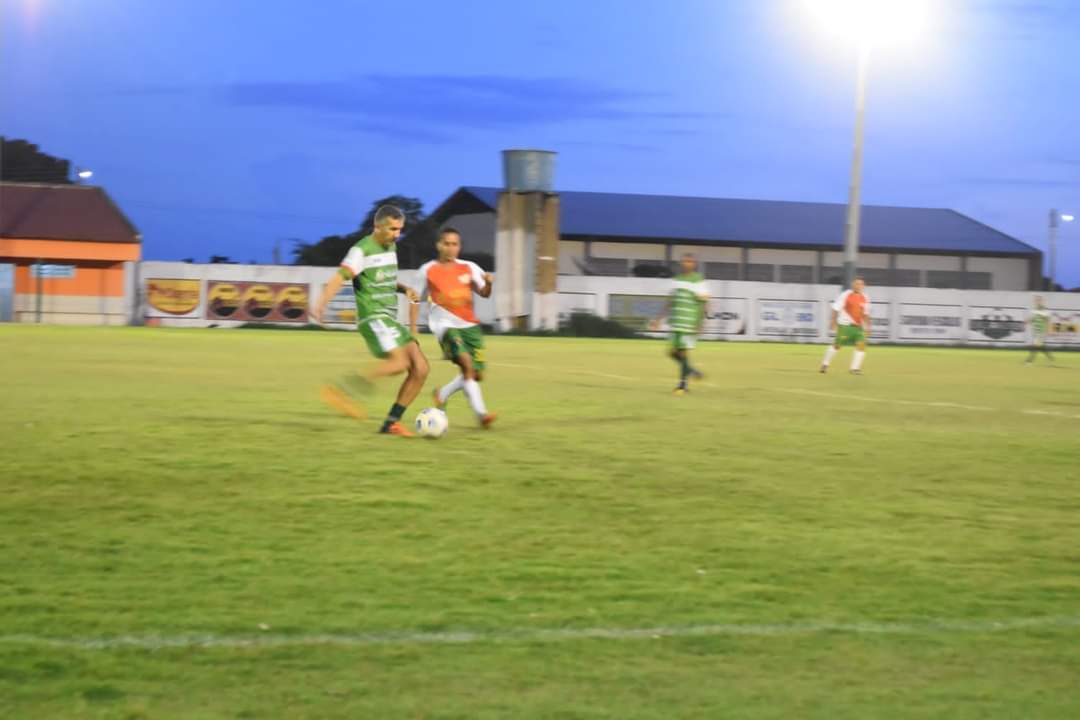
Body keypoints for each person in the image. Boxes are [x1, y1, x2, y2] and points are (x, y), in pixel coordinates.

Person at [312, 205, 428, 437]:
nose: (397, 234)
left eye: (400, 229)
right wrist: (321, 303)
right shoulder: (361, 250)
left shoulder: (391, 247)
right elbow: (339, 277)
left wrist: (404, 288)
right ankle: (341, 391)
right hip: (374, 317)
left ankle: (391, 423)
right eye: (392, 229)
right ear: (377, 226)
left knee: (421, 368)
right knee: (399, 363)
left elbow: (383, 280)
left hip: (389, 319)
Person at [415, 227, 497, 427]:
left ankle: (442, 394)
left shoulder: (469, 267)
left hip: (470, 326)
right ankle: (481, 415)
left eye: (455, 244)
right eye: (447, 244)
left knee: (475, 374)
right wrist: (412, 328)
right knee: (467, 365)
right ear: (439, 245)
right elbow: (414, 298)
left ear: (459, 247)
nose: (451, 248)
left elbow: (484, 293)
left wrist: (488, 283)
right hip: (445, 326)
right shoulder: (427, 270)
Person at [660, 253, 708, 395]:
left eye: (690, 261)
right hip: (676, 322)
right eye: (685, 261)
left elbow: (704, 303)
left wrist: (700, 323)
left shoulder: (698, 280)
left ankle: (682, 385)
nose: (687, 263)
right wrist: (658, 318)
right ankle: (691, 371)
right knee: (671, 353)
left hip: (689, 322)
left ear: (694, 264)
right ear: (681, 263)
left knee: (683, 352)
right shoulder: (677, 280)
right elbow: (671, 300)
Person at [821, 277, 871, 375]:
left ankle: (854, 369)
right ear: (853, 284)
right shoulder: (846, 295)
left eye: (860, 284)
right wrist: (833, 322)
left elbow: (866, 314)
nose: (858, 286)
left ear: (864, 286)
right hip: (845, 326)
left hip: (858, 327)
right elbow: (835, 308)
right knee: (837, 346)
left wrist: (868, 327)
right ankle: (825, 364)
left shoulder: (865, 297)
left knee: (861, 346)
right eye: (856, 284)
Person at [1025, 295, 1055, 365]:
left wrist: (1050, 330)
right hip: (1035, 331)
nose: (1037, 302)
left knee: (1036, 345)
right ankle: (1050, 358)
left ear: (1042, 301)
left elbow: (1048, 320)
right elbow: (1032, 318)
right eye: (1036, 300)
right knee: (1040, 346)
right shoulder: (1034, 310)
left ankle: (1029, 361)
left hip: (1041, 331)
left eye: (1039, 300)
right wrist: (1027, 321)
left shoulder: (1045, 310)